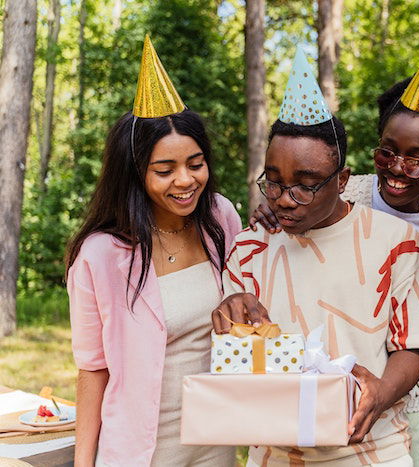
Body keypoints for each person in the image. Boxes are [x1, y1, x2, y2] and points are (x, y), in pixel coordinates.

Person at [249, 42, 419, 465]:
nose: (397, 168)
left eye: (418, 160)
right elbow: (301, 204)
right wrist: (278, 206)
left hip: (399, 379)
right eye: (388, 151)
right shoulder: (341, 192)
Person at [212, 48, 419, 466]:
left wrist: (383, 391)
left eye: (305, 186)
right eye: (273, 183)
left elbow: (411, 347)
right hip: (273, 451)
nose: (285, 201)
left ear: (343, 180)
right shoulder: (248, 247)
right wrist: (228, 311)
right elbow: (237, 357)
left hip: (370, 449)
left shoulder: (398, 243)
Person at [66, 36, 242, 466]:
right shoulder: (100, 255)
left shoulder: (221, 217)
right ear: (134, 173)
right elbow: (93, 369)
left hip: (216, 436)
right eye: (165, 170)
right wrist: (84, 462)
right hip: (140, 447)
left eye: (195, 164)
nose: (185, 180)